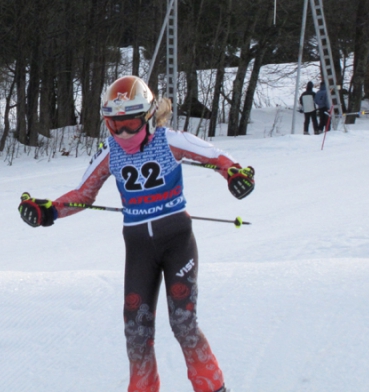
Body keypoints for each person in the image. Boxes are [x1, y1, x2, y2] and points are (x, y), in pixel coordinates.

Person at [18, 76, 255, 392]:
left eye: (130, 123)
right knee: (136, 331)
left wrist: (237, 175)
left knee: (183, 324)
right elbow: (84, 194)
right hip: (139, 248)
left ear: (148, 116)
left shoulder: (168, 140)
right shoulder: (110, 151)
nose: (123, 133)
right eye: (114, 125)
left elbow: (217, 158)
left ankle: (213, 388)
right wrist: (48, 211)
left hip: (176, 241)